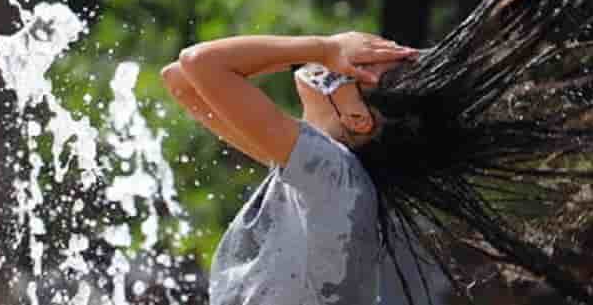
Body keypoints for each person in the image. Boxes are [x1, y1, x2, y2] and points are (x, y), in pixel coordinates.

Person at [160, 32, 426, 305]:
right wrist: (314, 54)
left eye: (356, 67)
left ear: (357, 118)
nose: (339, 62)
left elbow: (200, 63)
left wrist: (323, 49)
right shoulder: (316, 176)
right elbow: (180, 80)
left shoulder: (334, 173)